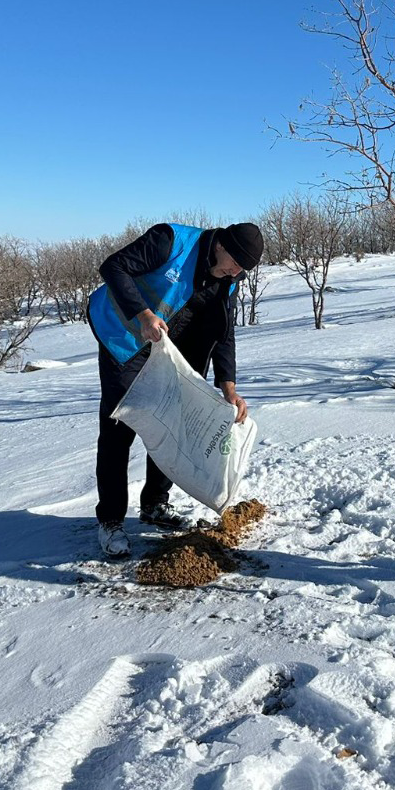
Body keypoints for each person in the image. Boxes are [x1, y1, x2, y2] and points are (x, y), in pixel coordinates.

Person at [86, 221, 264, 559]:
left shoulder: (230, 277)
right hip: (123, 336)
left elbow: (224, 332)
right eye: (235, 264)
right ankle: (110, 520)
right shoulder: (171, 241)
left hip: (171, 350)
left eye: (242, 270)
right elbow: (113, 266)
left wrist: (228, 385)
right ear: (221, 245)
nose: (236, 273)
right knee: (119, 427)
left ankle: (154, 504)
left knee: (173, 423)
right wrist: (143, 314)